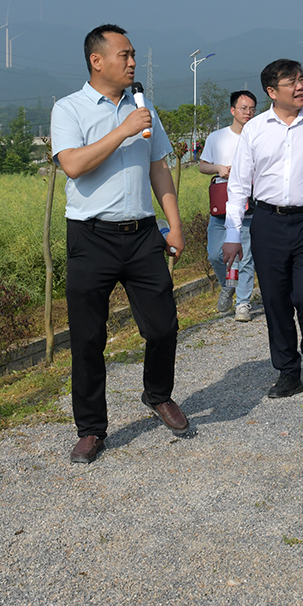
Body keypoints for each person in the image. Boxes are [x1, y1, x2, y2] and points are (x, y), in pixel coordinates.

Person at [52, 25, 188, 464]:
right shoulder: (68, 108)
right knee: (89, 338)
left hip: (143, 233)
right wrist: (123, 130)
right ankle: (91, 429)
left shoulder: (143, 108)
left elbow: (159, 169)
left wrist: (174, 224)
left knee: (164, 325)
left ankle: (157, 394)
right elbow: (73, 165)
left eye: (133, 56)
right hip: (90, 238)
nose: (133, 62)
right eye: (125, 55)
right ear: (97, 60)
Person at [223, 60, 303, 398]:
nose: (301, 86)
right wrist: (233, 235)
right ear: (272, 92)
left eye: (302, 79)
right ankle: (288, 370)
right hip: (268, 223)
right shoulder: (256, 129)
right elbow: (237, 186)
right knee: (276, 301)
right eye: (291, 82)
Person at [199, 90, 259, 321]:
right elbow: (203, 166)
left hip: (247, 206)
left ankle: (243, 304)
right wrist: (219, 168)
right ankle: (228, 285)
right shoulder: (217, 137)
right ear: (232, 110)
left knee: (245, 257)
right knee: (215, 254)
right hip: (221, 206)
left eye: (252, 109)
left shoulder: (258, 135)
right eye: (244, 108)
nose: (248, 113)